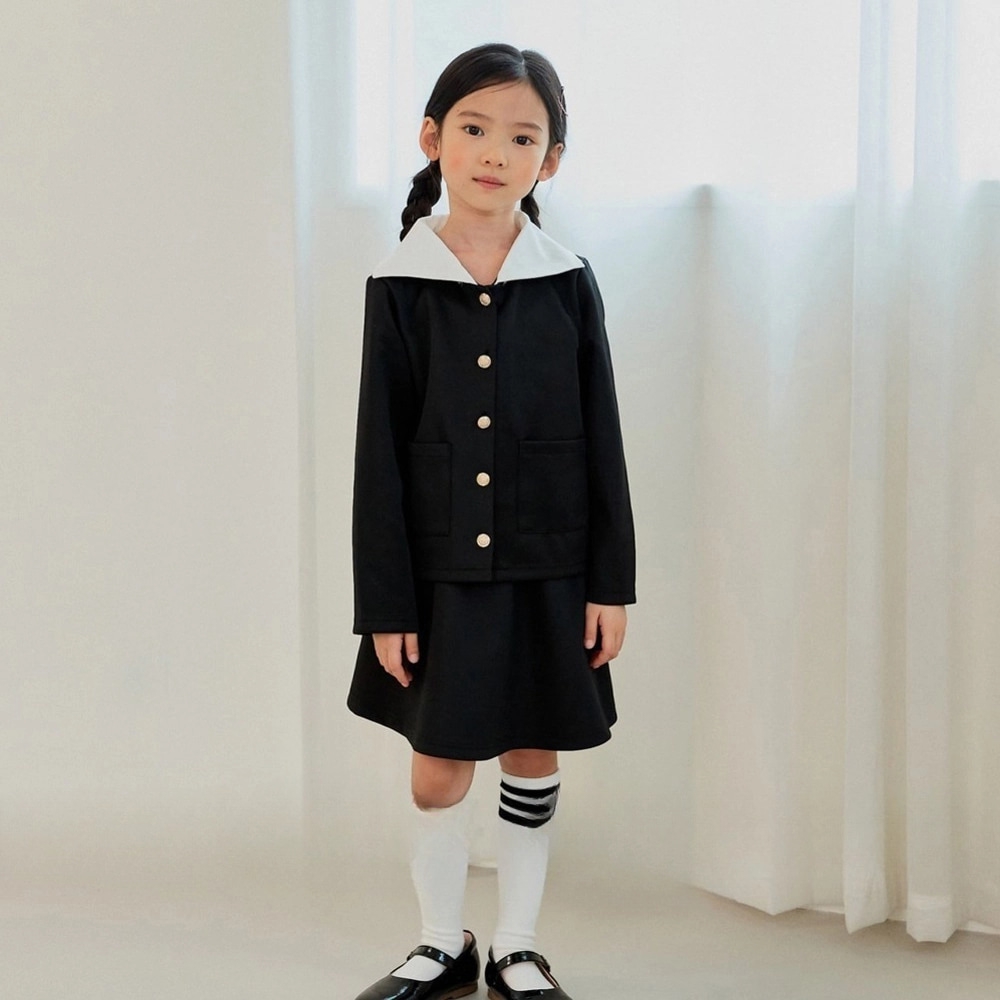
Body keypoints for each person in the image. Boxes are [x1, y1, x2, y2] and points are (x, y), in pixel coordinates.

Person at [348, 42, 636, 1000]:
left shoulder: (568, 279)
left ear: (549, 161)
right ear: (433, 139)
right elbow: (378, 455)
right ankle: (442, 942)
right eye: (474, 128)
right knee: (437, 772)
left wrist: (610, 584)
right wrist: (387, 603)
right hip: (438, 578)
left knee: (531, 753)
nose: (494, 153)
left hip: (551, 566)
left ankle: (517, 944)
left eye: (522, 137)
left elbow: (603, 439)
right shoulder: (398, 283)